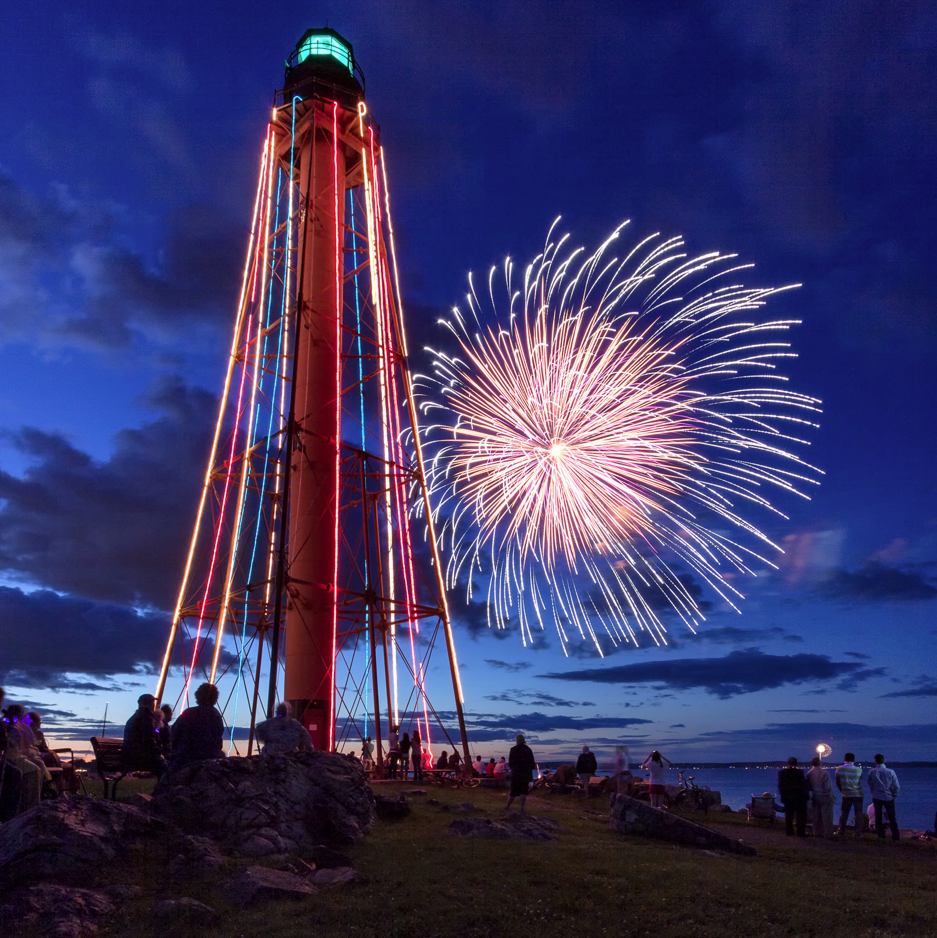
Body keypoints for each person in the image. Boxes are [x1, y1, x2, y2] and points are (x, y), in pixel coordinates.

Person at [170, 682, 225, 770]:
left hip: (186, 757)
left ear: (198, 696)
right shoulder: (216, 715)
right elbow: (218, 737)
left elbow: (175, 733)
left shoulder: (188, 713)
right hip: (209, 757)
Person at [3, 703, 46, 813]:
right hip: (10, 757)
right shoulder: (7, 724)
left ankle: (36, 800)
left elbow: (29, 743)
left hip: (18, 754)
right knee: (34, 769)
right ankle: (28, 806)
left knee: (39, 764)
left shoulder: (21, 726)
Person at [122, 694, 166, 777]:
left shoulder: (135, 717)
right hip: (141, 757)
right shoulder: (147, 718)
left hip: (131, 756)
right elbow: (149, 740)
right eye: (153, 702)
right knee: (169, 767)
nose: (154, 705)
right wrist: (159, 752)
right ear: (150, 704)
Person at [867, 753, 900, 841]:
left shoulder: (872, 772)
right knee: (892, 816)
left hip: (877, 796)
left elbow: (870, 784)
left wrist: (873, 793)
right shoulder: (890, 772)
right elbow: (896, 786)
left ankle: (880, 835)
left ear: (875, 761)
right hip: (888, 796)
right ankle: (895, 835)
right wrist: (895, 794)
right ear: (884, 760)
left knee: (878, 816)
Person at [505, 734, 536, 814]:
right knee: (523, 791)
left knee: (513, 791)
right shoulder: (528, 749)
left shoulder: (513, 749)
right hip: (525, 773)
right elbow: (532, 762)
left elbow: (511, 763)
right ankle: (521, 808)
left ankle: (507, 806)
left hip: (516, 773)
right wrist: (530, 769)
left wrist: (513, 769)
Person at [778, 756, 809, 837]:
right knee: (800, 815)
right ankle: (800, 832)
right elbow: (803, 785)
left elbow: (780, 786)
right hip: (799, 797)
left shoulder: (782, 773)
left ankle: (789, 831)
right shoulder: (800, 772)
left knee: (789, 815)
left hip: (787, 797)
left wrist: (783, 795)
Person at [836, 752, 864, 836]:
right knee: (858, 814)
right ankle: (858, 833)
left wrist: (843, 790)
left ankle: (841, 831)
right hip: (858, 794)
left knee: (844, 813)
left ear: (845, 759)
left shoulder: (839, 769)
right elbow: (859, 781)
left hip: (846, 794)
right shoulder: (859, 770)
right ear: (853, 760)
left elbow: (838, 782)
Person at [806, 756, 835, 838]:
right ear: (820, 763)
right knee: (827, 816)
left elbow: (809, 786)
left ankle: (816, 832)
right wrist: (830, 796)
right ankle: (828, 833)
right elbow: (827, 786)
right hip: (824, 795)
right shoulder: (824, 773)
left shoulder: (809, 773)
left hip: (815, 795)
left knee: (816, 815)